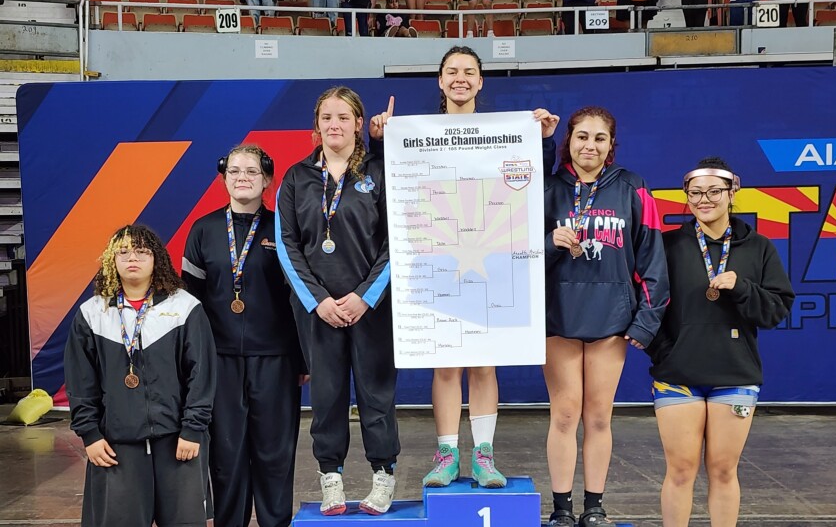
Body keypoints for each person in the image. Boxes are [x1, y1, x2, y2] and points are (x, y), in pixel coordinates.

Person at [369, 45, 560, 491]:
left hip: (491, 253)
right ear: (440, 81)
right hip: (437, 257)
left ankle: (485, 457)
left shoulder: (507, 130)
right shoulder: (413, 133)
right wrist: (378, 141)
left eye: (469, 72)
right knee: (446, 365)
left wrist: (544, 139)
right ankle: (448, 455)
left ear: (480, 81)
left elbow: (533, 178)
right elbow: (386, 182)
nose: (460, 78)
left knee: (484, 363)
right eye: (452, 71)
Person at [646, 158, 794, 527]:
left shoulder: (758, 247)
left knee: (724, 469)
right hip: (678, 374)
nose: (704, 199)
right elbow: (647, 304)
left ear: (732, 192)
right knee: (680, 470)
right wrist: (665, 351)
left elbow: (776, 310)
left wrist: (741, 287)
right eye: (695, 193)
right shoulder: (668, 245)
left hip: (735, 374)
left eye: (714, 191)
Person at [277, 86, 399, 516]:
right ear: (317, 125)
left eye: (343, 117)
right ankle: (332, 477)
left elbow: (395, 241)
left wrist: (365, 297)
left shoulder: (379, 173)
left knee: (376, 393)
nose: (334, 124)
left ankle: (383, 475)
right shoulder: (296, 178)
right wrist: (318, 301)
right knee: (326, 395)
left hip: (372, 307)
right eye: (327, 117)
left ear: (358, 124)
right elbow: (287, 244)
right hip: (319, 311)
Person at [544, 106, 669, 526]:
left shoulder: (633, 187)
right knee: (564, 414)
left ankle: (594, 507)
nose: (589, 146)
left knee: (598, 416)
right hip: (557, 316)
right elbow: (518, 248)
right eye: (581, 136)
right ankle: (561, 509)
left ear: (611, 145)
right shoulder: (548, 187)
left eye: (599, 138)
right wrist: (550, 241)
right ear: (569, 142)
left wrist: (646, 320)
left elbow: (653, 257)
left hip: (612, 320)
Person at [182, 145, 306, 527]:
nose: (242, 178)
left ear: (267, 180)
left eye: (252, 171)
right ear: (224, 179)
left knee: (275, 453)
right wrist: (193, 363)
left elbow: (299, 298)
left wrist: (303, 358)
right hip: (219, 360)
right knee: (226, 454)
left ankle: (275, 522)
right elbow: (190, 303)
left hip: (276, 358)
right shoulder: (203, 230)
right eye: (234, 171)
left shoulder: (283, 228)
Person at [64, 225, 216, 527]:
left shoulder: (184, 307)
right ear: (112, 260)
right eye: (123, 252)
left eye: (142, 252)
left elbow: (202, 374)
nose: (132, 258)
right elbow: (80, 382)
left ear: (156, 258)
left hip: (178, 440)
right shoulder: (92, 313)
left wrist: (193, 428)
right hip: (115, 444)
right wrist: (90, 435)